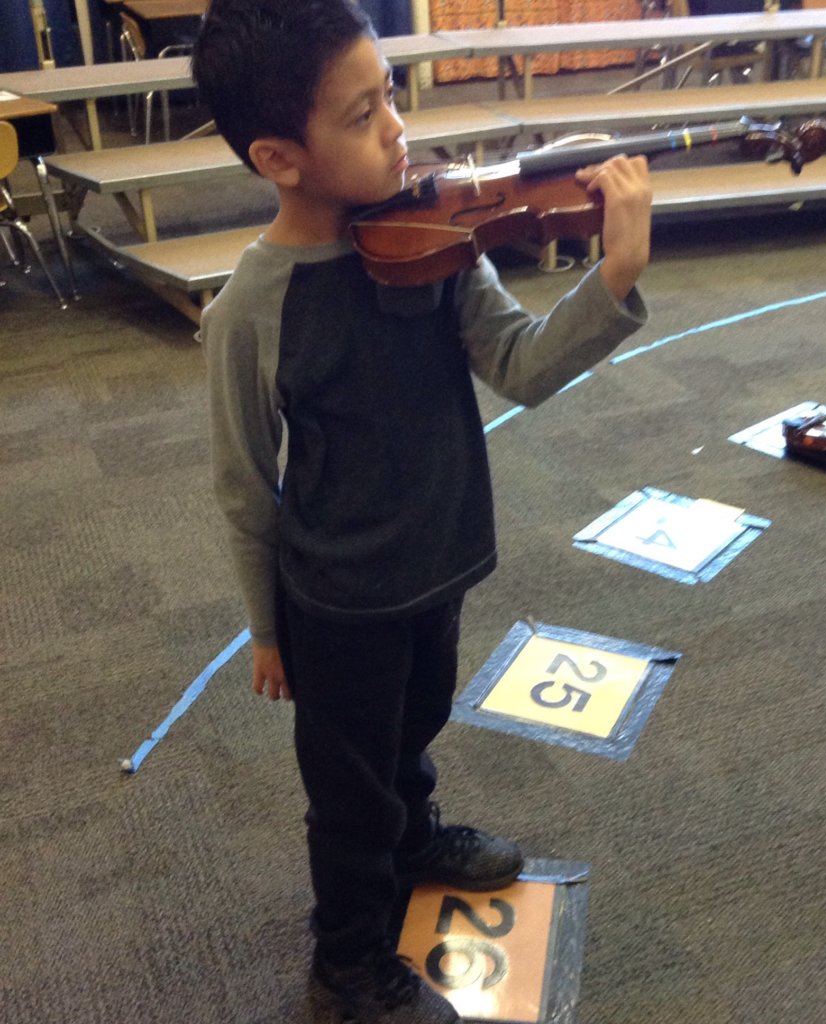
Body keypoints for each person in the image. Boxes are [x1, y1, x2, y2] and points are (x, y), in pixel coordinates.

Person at [191, 2, 651, 1021]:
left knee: (416, 723)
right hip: (338, 599)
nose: (397, 130)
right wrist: (266, 630)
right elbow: (243, 484)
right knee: (348, 790)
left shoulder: (437, 236)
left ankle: (413, 839)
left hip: (439, 557)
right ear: (279, 157)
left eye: (389, 97)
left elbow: (520, 365)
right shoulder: (249, 311)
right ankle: (348, 959)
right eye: (362, 117)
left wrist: (612, 278)